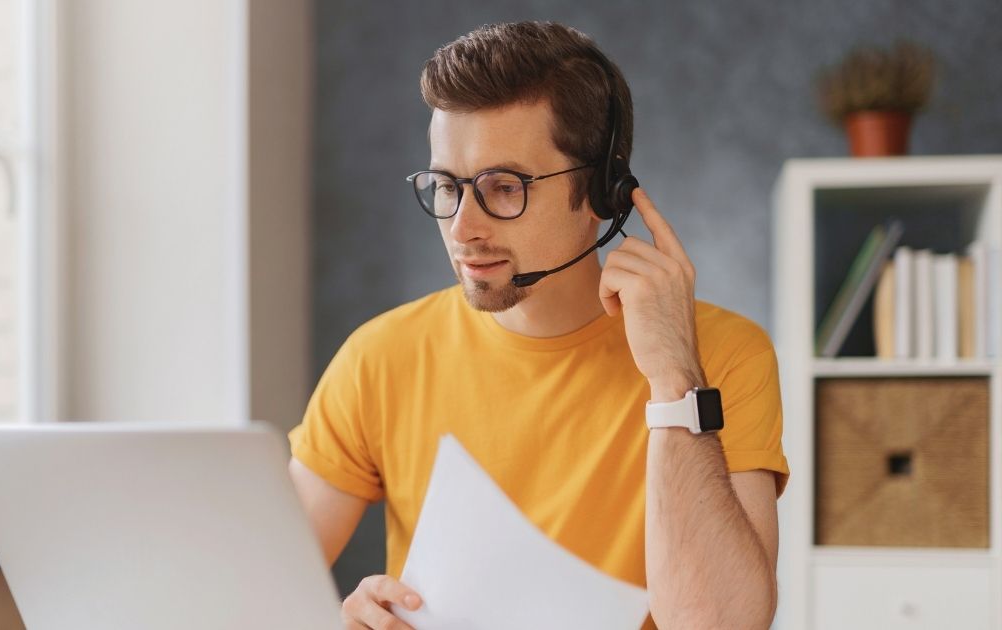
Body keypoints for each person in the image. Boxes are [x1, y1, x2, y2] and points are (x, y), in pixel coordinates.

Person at [288, 21, 788, 630]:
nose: (462, 227)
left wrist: (674, 379)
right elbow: (247, 592)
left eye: (504, 187)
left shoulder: (724, 356)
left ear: (604, 190)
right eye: (447, 186)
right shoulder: (380, 356)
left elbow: (722, 625)